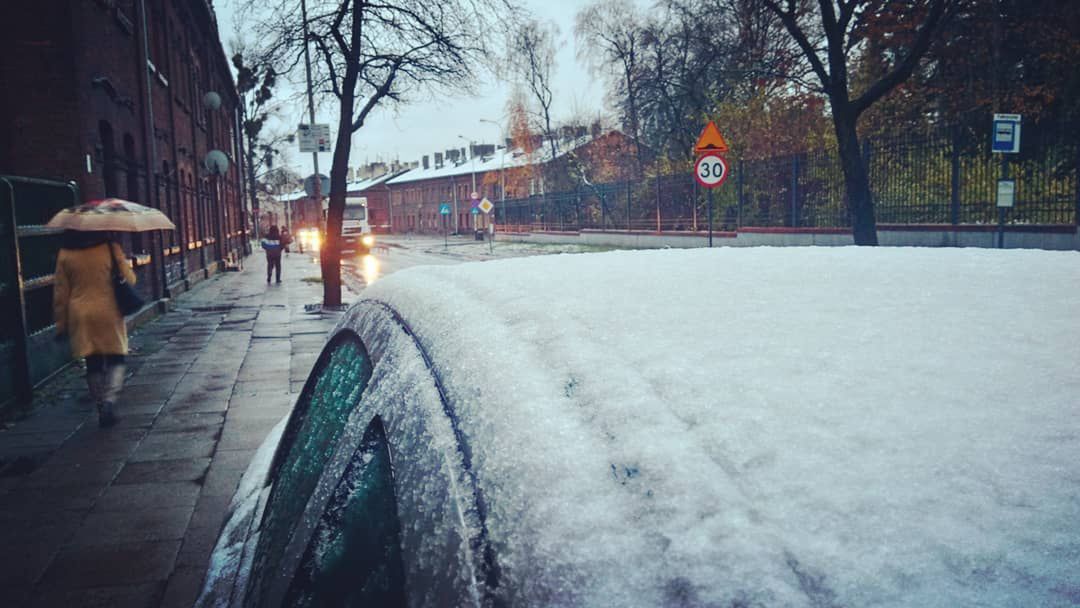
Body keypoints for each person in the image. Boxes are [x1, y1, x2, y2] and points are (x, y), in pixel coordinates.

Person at [52, 230, 135, 428]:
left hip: (81, 313)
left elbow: (61, 293)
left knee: (93, 361)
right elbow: (130, 279)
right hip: (108, 310)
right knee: (116, 358)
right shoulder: (110, 248)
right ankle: (109, 400)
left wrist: (61, 324)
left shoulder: (66, 254)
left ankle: (99, 404)